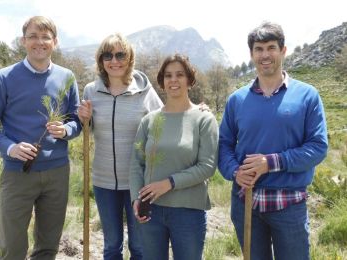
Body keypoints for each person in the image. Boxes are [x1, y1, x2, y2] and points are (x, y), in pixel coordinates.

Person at [218, 21, 328, 260]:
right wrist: (235, 172)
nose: (265, 54)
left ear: (283, 51)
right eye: (259, 49)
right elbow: (224, 145)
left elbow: (318, 147)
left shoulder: (307, 95)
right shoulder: (236, 100)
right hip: (245, 201)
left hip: (288, 203)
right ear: (251, 54)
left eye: (271, 47)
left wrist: (271, 162)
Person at [0, 16, 81, 259]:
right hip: (17, 174)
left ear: (54, 42)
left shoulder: (67, 78)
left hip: (57, 173)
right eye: (33, 36)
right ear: (23, 41)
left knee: (48, 247)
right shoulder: (3, 78)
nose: (39, 42)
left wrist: (66, 130)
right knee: (12, 247)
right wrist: (10, 147)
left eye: (45, 37)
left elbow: (77, 120)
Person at [77, 33, 163, 259]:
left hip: (139, 181)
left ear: (129, 58)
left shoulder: (145, 91)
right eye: (108, 55)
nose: (114, 60)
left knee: (139, 246)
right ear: (101, 60)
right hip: (104, 181)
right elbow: (87, 127)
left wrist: (194, 109)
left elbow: (165, 120)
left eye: (120, 54)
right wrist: (84, 119)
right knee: (111, 245)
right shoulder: (90, 91)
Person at [129, 54, 219, 260]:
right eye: (168, 75)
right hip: (150, 210)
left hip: (188, 212)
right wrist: (136, 198)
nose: (174, 80)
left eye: (180, 74)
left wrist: (169, 183)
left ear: (190, 80)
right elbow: (136, 163)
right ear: (162, 81)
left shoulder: (203, 119)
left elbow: (207, 166)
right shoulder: (149, 121)